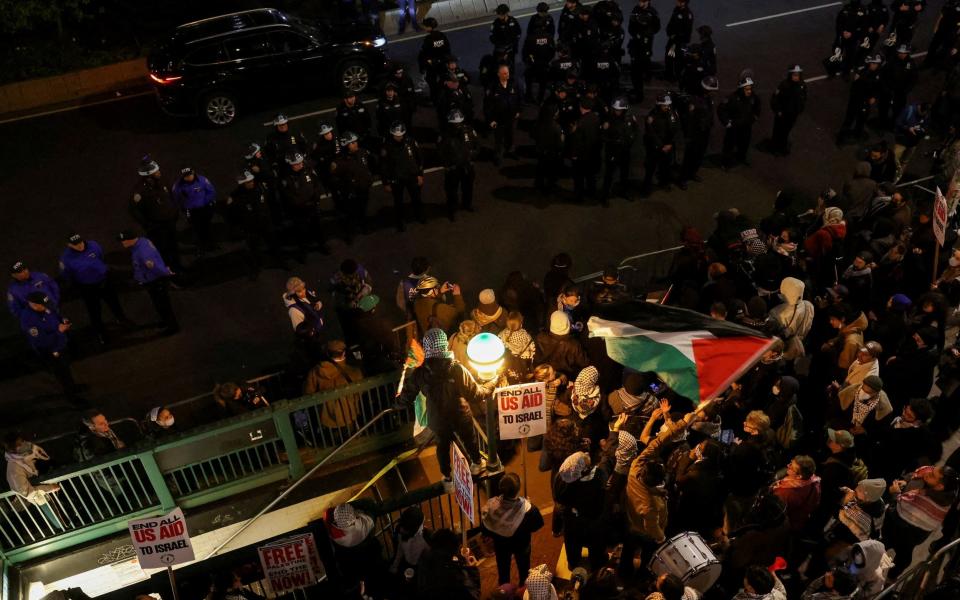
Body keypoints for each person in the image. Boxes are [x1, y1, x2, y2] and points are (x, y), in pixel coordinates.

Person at [396, 329, 488, 482]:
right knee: (469, 439)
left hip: (437, 419)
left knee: (442, 447)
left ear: (426, 346)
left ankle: (447, 477)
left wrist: (396, 404)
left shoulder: (421, 373)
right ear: (445, 344)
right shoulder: (457, 369)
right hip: (460, 415)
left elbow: (407, 396)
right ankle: (477, 464)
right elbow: (475, 394)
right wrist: (492, 384)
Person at [884, 465, 959, 577]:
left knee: (885, 547)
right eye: (932, 469)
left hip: (898, 532)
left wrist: (895, 494)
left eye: (932, 475)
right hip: (912, 540)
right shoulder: (948, 496)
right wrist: (906, 482)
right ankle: (890, 579)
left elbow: (897, 512)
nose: (928, 472)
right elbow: (915, 477)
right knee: (903, 558)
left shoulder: (924, 499)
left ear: (939, 486)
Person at [58, 234, 130, 344]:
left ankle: (122, 319)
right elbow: (66, 275)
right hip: (87, 287)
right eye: (75, 244)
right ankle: (101, 333)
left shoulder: (94, 245)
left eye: (80, 242)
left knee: (114, 302)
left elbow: (101, 257)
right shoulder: (66, 258)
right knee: (94, 312)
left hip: (104, 281)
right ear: (68, 245)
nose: (80, 246)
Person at [480, 472, 545, 586]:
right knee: (524, 570)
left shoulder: (491, 506)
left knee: (503, 572)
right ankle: (523, 590)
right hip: (522, 545)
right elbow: (538, 524)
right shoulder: (529, 510)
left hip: (501, 547)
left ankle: (504, 592)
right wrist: (528, 505)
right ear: (518, 489)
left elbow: (486, 528)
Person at [19, 290, 84, 401]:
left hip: (60, 344)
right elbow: (40, 340)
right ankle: (71, 397)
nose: (46, 307)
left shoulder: (45, 307)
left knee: (66, 368)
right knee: (60, 372)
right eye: (43, 305)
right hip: (49, 350)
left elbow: (55, 314)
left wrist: (63, 320)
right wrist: (59, 331)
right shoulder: (28, 320)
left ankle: (73, 387)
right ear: (34, 305)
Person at [224, 170, 283, 278]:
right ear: (242, 184)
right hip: (251, 228)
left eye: (251, 180)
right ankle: (257, 267)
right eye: (248, 182)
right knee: (254, 249)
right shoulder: (236, 196)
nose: (251, 183)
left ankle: (280, 261)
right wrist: (239, 227)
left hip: (265, 223)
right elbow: (231, 215)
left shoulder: (260, 188)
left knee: (273, 243)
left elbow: (270, 201)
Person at [118, 232, 179, 335]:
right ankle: (166, 321)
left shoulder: (142, 251)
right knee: (159, 303)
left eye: (123, 241)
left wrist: (166, 272)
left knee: (163, 305)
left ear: (130, 239)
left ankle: (172, 327)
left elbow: (154, 267)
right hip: (152, 280)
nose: (122, 243)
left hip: (155, 281)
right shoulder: (141, 242)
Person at [130, 155, 181, 271]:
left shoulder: (162, 181)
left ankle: (178, 267)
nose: (159, 172)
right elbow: (134, 210)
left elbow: (172, 197)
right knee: (163, 250)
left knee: (174, 246)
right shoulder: (139, 191)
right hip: (156, 227)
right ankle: (169, 272)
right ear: (148, 176)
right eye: (156, 172)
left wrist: (175, 212)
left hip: (170, 223)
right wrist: (147, 225)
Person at [324, 503, 386, 597]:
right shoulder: (366, 524)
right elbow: (370, 506)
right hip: (368, 558)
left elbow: (327, 516)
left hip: (353, 564)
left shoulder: (335, 537)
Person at [304, 340, 363, 437]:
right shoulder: (354, 371)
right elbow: (360, 391)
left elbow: (308, 393)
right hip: (348, 415)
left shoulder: (315, 372)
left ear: (327, 353)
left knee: (333, 443)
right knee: (351, 440)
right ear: (344, 353)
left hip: (326, 418)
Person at [279, 152, 323, 262]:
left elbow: (316, 184)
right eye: (297, 164)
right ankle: (303, 251)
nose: (300, 165)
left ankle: (321, 245)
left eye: (301, 162)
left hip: (312, 207)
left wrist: (316, 196)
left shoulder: (308, 170)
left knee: (317, 227)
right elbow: (287, 196)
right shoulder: (286, 178)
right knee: (301, 232)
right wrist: (299, 203)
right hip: (299, 211)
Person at [381, 122, 424, 231]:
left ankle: (419, 216)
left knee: (417, 198)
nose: (399, 137)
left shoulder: (411, 142)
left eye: (401, 135)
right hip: (397, 179)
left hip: (411, 176)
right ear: (392, 134)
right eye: (397, 135)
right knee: (398, 202)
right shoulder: (387, 147)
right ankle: (400, 222)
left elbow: (419, 159)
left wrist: (420, 174)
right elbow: (384, 166)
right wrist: (386, 182)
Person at [330, 132, 375, 237]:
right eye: (352, 143)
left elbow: (371, 164)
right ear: (346, 146)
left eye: (355, 142)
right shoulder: (339, 162)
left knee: (363, 208)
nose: (356, 144)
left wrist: (369, 178)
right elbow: (334, 180)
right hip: (350, 193)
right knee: (350, 213)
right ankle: (349, 233)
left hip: (363, 188)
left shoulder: (363, 152)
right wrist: (344, 190)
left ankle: (364, 226)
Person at [416, 528, 481, 599]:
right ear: (453, 550)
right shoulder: (452, 574)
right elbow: (472, 594)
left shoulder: (425, 559)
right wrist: (471, 570)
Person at [438, 109, 480, 221]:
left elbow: (477, 145)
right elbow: (441, 152)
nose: (457, 124)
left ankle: (467, 204)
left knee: (468, 188)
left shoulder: (469, 131)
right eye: (454, 123)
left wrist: (472, 157)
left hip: (467, 166)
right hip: (453, 168)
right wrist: (447, 165)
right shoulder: (445, 134)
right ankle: (452, 210)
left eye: (459, 122)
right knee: (451, 191)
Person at [837, 54, 885, 145]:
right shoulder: (862, 73)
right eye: (873, 63)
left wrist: (874, 97)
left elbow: (879, 87)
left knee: (861, 119)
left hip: (866, 101)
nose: (874, 66)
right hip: (857, 100)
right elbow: (855, 89)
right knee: (849, 119)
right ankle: (840, 139)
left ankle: (857, 134)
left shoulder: (878, 74)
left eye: (876, 64)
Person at [601, 97, 639, 203]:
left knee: (625, 174)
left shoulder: (630, 118)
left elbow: (635, 131)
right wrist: (613, 141)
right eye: (616, 109)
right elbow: (603, 136)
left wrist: (630, 142)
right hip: (612, 151)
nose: (618, 112)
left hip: (625, 151)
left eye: (620, 110)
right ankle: (604, 196)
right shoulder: (608, 119)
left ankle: (624, 191)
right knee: (609, 175)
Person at [171, 166, 217, 253]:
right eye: (186, 176)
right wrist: (184, 207)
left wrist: (205, 202)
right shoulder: (178, 186)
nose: (188, 177)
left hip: (205, 208)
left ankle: (212, 244)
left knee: (207, 226)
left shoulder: (202, 180)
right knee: (196, 228)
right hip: (192, 211)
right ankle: (202, 246)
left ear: (193, 172)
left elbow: (211, 191)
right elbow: (175, 198)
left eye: (190, 175)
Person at [642, 94, 681, 196]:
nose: (667, 107)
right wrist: (661, 146)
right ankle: (646, 188)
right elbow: (651, 134)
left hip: (668, 146)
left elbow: (677, 129)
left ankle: (663, 182)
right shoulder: (651, 117)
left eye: (668, 105)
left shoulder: (672, 114)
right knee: (650, 168)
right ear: (659, 105)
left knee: (666, 167)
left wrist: (670, 144)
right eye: (664, 105)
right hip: (654, 148)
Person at [771, 455, 822, 533]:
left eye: (791, 467)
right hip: (802, 520)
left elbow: (774, 513)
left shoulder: (785, 493)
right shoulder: (814, 481)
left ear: (799, 476)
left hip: (787, 525)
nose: (788, 466)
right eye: (791, 463)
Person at [719, 76, 762, 168]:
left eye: (750, 89)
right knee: (729, 145)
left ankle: (741, 158)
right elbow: (721, 109)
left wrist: (755, 116)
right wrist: (726, 122)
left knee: (744, 144)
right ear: (741, 89)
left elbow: (758, 105)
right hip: (734, 127)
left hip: (746, 126)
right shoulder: (732, 98)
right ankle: (725, 163)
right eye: (747, 89)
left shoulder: (753, 97)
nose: (749, 91)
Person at [4, 433, 59, 505]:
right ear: (12, 449)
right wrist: (50, 488)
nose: (24, 444)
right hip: (42, 499)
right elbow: (26, 491)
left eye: (22, 441)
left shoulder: (25, 455)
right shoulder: (13, 468)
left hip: (47, 492)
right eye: (19, 444)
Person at [485, 65, 523, 166]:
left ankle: (510, 151)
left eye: (508, 73)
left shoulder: (513, 83)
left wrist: (519, 110)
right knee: (499, 139)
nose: (507, 75)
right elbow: (488, 105)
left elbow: (519, 97)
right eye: (505, 73)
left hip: (511, 117)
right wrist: (491, 120)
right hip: (499, 118)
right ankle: (498, 156)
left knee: (510, 136)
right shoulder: (493, 87)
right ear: (499, 74)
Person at [568, 97, 602, 201]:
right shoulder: (596, 118)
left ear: (581, 108)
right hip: (593, 153)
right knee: (591, 176)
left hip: (581, 156)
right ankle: (591, 193)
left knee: (579, 177)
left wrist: (573, 154)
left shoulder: (580, 123)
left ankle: (578, 196)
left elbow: (577, 141)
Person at [769, 65, 808, 156]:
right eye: (794, 75)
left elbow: (804, 97)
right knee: (778, 130)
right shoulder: (784, 85)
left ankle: (782, 146)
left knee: (786, 131)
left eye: (798, 75)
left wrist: (800, 108)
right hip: (782, 114)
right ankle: (775, 147)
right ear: (790, 75)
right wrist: (778, 111)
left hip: (793, 114)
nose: (796, 77)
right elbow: (775, 98)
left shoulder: (802, 85)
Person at [628, 0, 661, 103]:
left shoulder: (652, 12)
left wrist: (648, 33)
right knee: (636, 65)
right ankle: (638, 84)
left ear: (647, 1)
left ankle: (645, 77)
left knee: (645, 60)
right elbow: (631, 25)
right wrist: (635, 34)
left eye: (642, 1)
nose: (640, 3)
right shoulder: (636, 9)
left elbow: (657, 27)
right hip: (636, 41)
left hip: (646, 40)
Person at [283, 276, 325, 357]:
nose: (303, 292)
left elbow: (316, 299)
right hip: (311, 340)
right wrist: (311, 334)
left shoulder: (305, 294)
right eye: (299, 291)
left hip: (316, 331)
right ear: (293, 294)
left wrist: (318, 305)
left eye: (303, 289)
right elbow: (301, 331)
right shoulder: (294, 311)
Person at [523, 4, 556, 104]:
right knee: (541, 80)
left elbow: (525, 51)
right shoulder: (534, 20)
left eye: (544, 12)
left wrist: (528, 60)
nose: (543, 13)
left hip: (537, 61)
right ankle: (535, 98)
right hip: (541, 61)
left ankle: (534, 98)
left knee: (531, 77)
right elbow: (552, 50)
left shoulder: (549, 19)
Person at [418, 18, 452, 100]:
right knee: (445, 79)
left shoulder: (428, 39)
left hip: (432, 65)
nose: (424, 28)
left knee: (432, 81)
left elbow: (424, 54)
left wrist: (422, 67)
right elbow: (448, 49)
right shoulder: (442, 35)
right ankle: (448, 96)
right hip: (443, 63)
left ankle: (434, 98)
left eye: (425, 26)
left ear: (430, 27)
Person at [664, 0, 694, 81]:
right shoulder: (676, 10)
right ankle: (669, 75)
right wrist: (669, 32)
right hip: (673, 40)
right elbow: (672, 23)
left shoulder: (688, 14)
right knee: (669, 56)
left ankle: (676, 77)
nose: (676, 2)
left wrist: (676, 35)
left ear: (683, 2)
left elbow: (687, 30)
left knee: (678, 59)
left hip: (679, 41)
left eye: (678, 1)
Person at [490, 4, 522, 69]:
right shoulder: (496, 23)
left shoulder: (513, 20)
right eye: (498, 14)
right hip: (501, 49)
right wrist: (500, 45)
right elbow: (491, 37)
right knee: (499, 64)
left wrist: (514, 42)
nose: (498, 15)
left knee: (511, 63)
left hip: (512, 47)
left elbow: (518, 32)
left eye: (500, 14)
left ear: (506, 14)